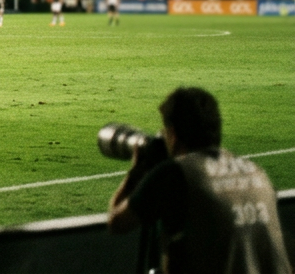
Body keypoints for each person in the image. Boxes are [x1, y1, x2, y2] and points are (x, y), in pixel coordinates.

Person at [108, 87, 290, 274]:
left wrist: (136, 172)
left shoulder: (177, 173)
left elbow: (117, 222)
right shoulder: (256, 172)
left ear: (174, 134)